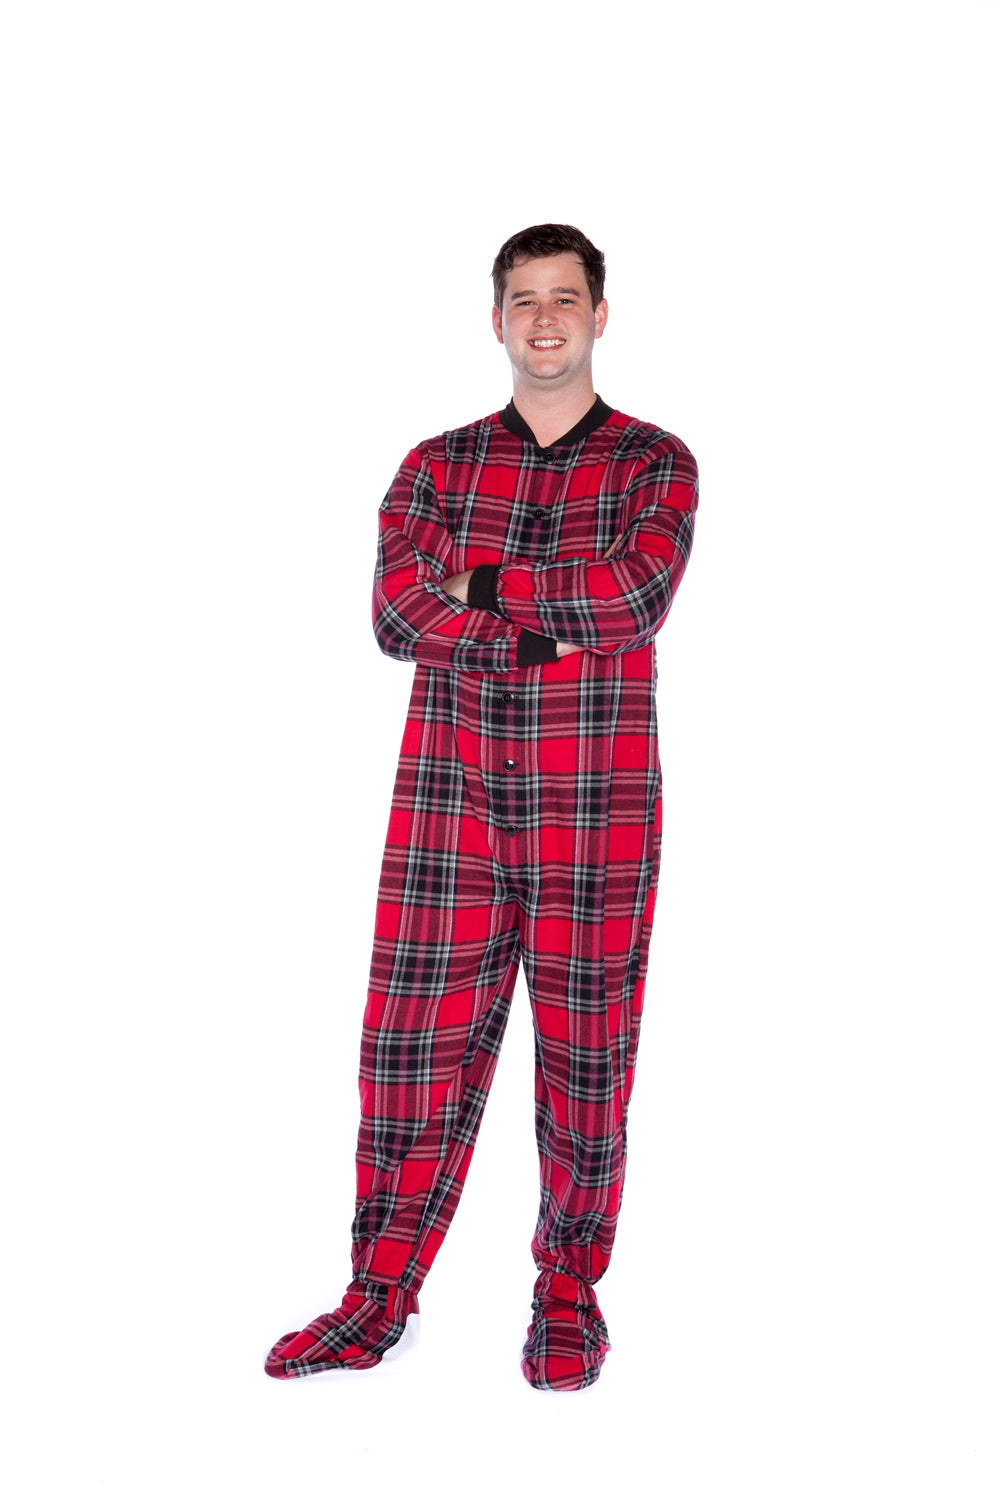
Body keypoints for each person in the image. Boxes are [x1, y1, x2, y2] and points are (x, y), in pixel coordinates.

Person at [264, 223, 699, 1392]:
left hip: (596, 811)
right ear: (496, 318)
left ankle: (566, 1294)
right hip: (448, 805)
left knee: (587, 1062)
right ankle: (376, 1297)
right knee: (407, 1051)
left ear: (599, 315)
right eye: (524, 299)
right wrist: (536, 639)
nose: (544, 320)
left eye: (565, 297)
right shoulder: (435, 466)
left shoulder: (654, 462)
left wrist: (485, 586)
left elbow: (633, 595)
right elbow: (396, 616)